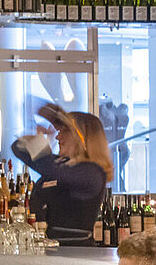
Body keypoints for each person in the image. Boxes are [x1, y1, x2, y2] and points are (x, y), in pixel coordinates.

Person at [11, 102, 114, 246]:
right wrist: (37, 138)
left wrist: (40, 141)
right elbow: (18, 148)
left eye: (65, 131)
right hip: (49, 251)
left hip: (75, 254)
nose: (58, 138)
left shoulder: (92, 172)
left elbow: (51, 169)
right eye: (58, 132)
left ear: (82, 137)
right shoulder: (61, 165)